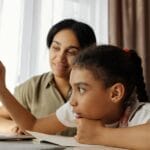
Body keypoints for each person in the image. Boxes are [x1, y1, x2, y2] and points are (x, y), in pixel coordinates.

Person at [0, 45, 150, 149]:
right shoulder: (77, 110)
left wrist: (100, 135)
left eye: (81, 89)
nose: (72, 101)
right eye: (73, 89)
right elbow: (33, 127)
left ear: (115, 93)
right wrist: (2, 90)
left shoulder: (139, 114)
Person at [0, 19, 96, 135]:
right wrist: (15, 126)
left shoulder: (95, 91)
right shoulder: (32, 87)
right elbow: (28, 125)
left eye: (71, 52)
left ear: (87, 55)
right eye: (56, 48)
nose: (60, 57)